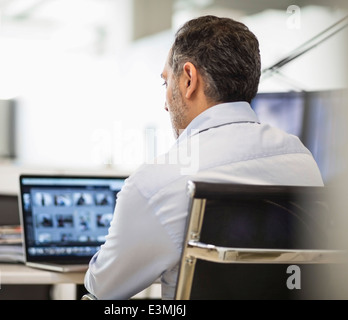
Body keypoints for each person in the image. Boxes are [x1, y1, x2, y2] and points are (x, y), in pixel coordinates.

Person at [84, 15, 324, 300]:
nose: (165, 103)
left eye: (166, 83)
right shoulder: (301, 159)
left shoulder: (157, 182)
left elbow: (104, 288)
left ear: (188, 79)